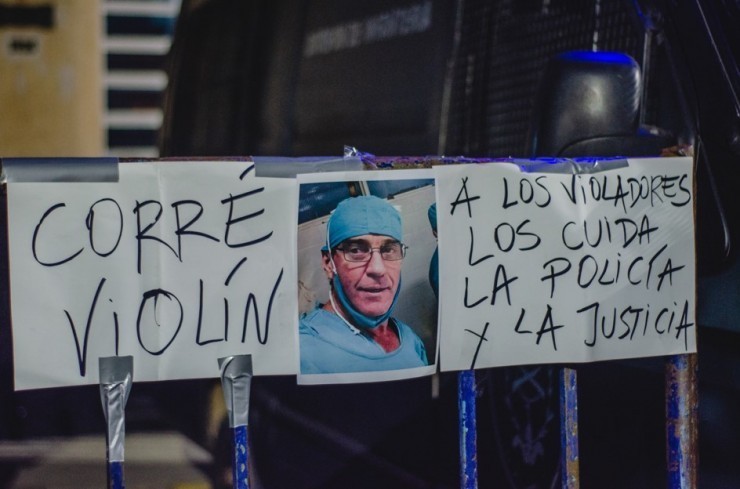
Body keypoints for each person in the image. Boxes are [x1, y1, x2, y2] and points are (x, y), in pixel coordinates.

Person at [299, 195, 429, 374]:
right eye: (356, 250)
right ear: (329, 263)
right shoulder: (304, 352)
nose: (378, 269)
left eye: (389, 250)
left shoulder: (409, 339)